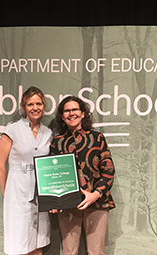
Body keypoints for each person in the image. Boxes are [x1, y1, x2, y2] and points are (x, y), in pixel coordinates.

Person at [49, 96, 115, 255]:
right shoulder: (57, 142)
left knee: (96, 252)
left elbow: (109, 170)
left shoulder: (97, 138)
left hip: (97, 203)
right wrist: (53, 199)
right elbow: (53, 176)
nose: (71, 113)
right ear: (62, 116)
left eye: (75, 109)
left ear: (83, 113)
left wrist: (95, 194)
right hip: (68, 205)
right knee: (69, 252)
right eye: (67, 111)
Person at [0, 86, 52, 255]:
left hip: (41, 193)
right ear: (24, 107)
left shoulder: (48, 133)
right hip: (17, 193)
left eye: (39, 103)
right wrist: (8, 194)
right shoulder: (12, 130)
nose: (35, 108)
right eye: (30, 104)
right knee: (19, 244)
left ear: (44, 105)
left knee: (37, 243)